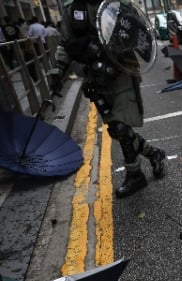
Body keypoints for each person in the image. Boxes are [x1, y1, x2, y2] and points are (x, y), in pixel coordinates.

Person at [49, 0, 165, 198]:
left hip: (121, 71)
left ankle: (134, 174)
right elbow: (66, 43)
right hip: (95, 76)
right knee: (116, 129)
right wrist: (58, 70)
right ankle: (153, 153)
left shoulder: (119, 4)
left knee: (121, 125)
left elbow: (138, 33)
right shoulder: (73, 8)